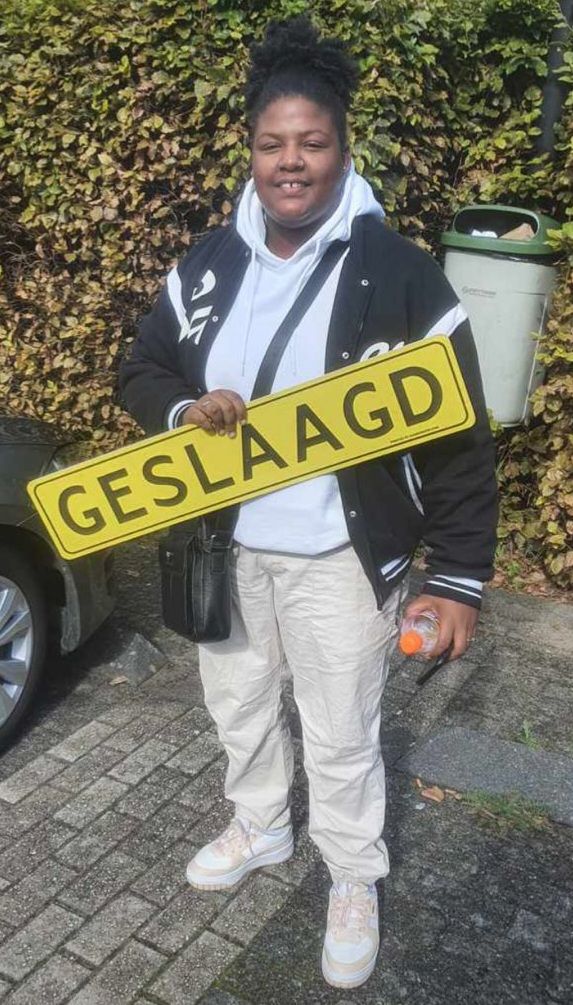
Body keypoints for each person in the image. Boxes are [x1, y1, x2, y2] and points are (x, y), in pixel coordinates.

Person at [119, 16, 497, 991]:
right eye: (271, 143)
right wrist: (181, 408)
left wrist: (457, 577)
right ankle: (260, 825)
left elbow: (459, 436)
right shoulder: (206, 266)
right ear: (250, 153)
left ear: (341, 149)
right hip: (228, 546)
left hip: (340, 556)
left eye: (311, 142)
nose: (290, 161)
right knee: (238, 705)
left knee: (339, 733)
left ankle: (353, 875)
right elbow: (143, 366)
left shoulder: (402, 274)